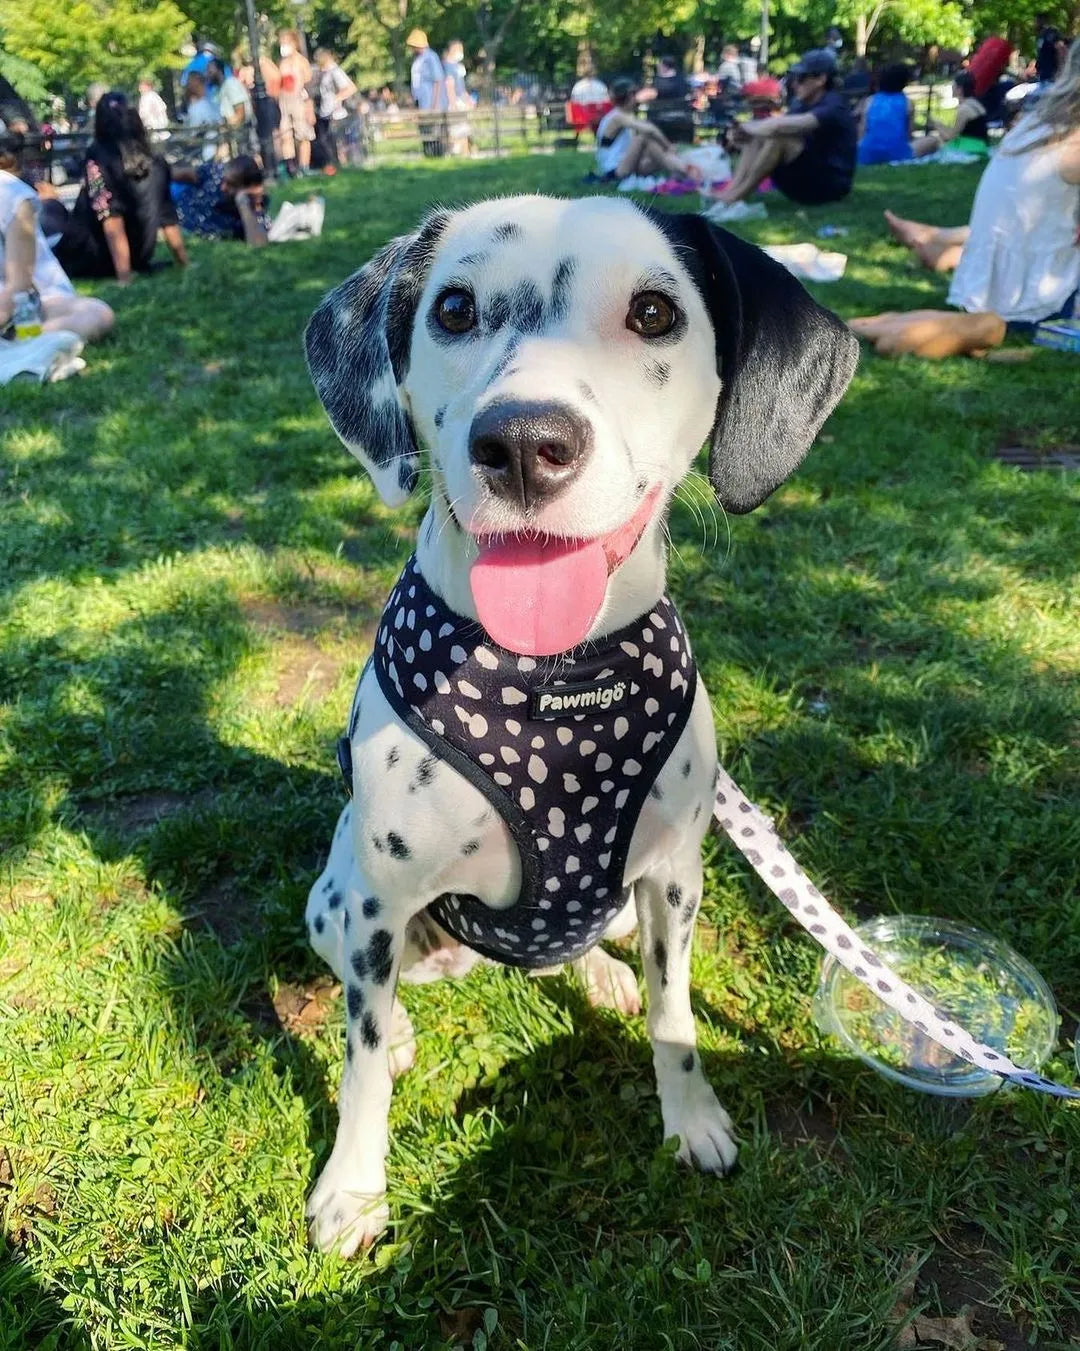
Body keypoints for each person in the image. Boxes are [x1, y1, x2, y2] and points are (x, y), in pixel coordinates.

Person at [859, 39, 1080, 353]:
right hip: (1035, 298)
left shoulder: (1039, 122)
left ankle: (935, 255)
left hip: (984, 282)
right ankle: (933, 323)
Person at [51, 93, 189, 283]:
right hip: (139, 257)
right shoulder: (157, 163)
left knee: (52, 210)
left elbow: (110, 218)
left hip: (92, 259)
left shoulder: (97, 160)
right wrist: (183, 262)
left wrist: (124, 276)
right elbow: (167, 216)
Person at [0, 133, 113, 343]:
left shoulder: (10, 195)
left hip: (31, 305)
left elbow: (19, 286)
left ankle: (19, 339)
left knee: (97, 315)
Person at [714, 48, 856, 206]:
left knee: (778, 138)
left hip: (831, 185)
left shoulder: (834, 105)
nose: (795, 84)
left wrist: (749, 127)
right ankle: (731, 191)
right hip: (807, 177)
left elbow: (787, 125)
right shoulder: (801, 104)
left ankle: (735, 197)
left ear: (821, 79)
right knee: (759, 136)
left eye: (801, 78)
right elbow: (772, 127)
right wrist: (743, 133)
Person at [594, 77, 702, 181]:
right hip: (614, 170)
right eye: (635, 95)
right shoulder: (617, 117)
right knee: (643, 138)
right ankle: (688, 171)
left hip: (625, 164)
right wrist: (668, 146)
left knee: (657, 152)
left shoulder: (625, 116)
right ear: (630, 96)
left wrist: (666, 149)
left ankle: (685, 172)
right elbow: (650, 130)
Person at [171, 155, 269, 246]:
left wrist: (243, 202)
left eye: (231, 184)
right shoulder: (215, 172)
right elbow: (179, 174)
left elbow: (258, 243)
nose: (223, 187)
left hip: (180, 224)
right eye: (224, 180)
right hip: (174, 199)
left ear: (245, 189)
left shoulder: (253, 211)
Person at [915, 70, 990, 156]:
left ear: (960, 89)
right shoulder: (976, 103)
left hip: (972, 147)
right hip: (980, 145)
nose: (951, 88)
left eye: (953, 86)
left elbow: (949, 136)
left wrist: (935, 123)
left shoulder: (964, 109)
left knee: (932, 141)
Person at [857, 62, 915, 164]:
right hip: (898, 154)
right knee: (932, 140)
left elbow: (862, 130)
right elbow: (909, 134)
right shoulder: (908, 103)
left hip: (868, 153)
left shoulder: (869, 101)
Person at [313, 47, 356, 170]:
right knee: (327, 141)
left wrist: (336, 99)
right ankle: (334, 165)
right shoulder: (324, 73)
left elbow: (350, 88)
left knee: (335, 141)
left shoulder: (334, 71)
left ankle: (340, 165)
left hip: (335, 113)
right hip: (325, 112)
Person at [278, 30, 315, 173]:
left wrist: (309, 107)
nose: (283, 45)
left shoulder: (301, 61)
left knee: (303, 135)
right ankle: (291, 167)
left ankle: (304, 167)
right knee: (286, 135)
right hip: (284, 103)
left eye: (286, 42)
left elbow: (309, 85)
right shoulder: (282, 63)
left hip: (300, 101)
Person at [407, 29, 446, 156]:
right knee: (424, 130)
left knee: (434, 131)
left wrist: (434, 104)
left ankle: (437, 154)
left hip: (431, 101)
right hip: (421, 100)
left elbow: (438, 80)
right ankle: (428, 154)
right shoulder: (418, 59)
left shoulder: (431, 57)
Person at [207, 59, 251, 130]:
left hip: (239, 134)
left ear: (219, 71)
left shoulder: (231, 84)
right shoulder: (220, 89)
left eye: (210, 71)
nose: (208, 74)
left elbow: (240, 114)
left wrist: (226, 129)